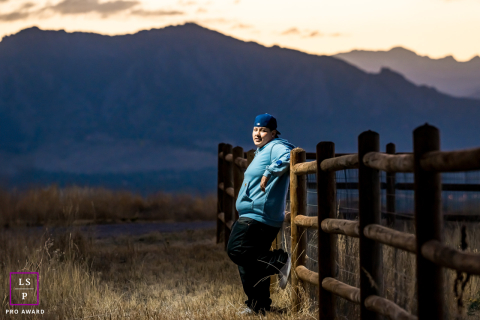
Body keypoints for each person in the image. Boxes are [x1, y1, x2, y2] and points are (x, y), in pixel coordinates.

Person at [227, 113, 296, 316]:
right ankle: (258, 306)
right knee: (247, 262)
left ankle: (280, 261)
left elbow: (291, 152)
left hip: (259, 215)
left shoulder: (276, 146)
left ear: (272, 133)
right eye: (256, 129)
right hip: (254, 214)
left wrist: (269, 171)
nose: (258, 133)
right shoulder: (262, 150)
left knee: (237, 250)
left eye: (263, 130)